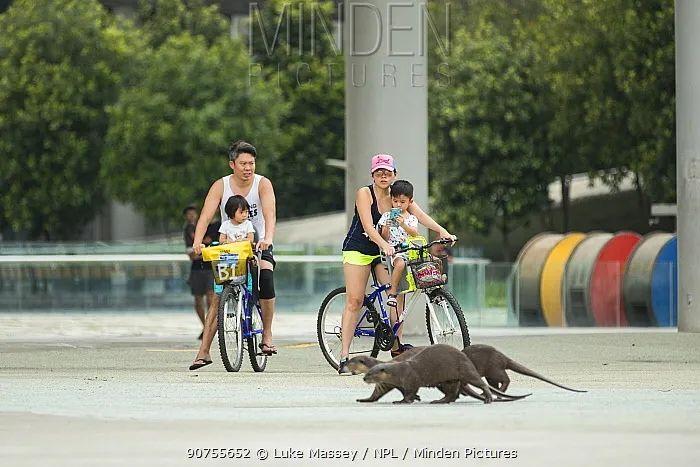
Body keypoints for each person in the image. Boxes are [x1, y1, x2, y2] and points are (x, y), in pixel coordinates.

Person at [337, 154, 455, 374]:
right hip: (359, 249)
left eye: (388, 172)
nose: (384, 176)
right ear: (372, 174)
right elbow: (369, 227)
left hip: (386, 251)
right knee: (355, 300)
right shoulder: (365, 193)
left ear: (394, 174)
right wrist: (383, 244)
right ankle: (344, 356)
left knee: (397, 291)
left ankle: (396, 346)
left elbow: (420, 216)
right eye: (379, 172)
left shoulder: (398, 195)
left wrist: (442, 231)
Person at [189, 140, 277, 371]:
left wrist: (267, 238)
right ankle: (204, 352)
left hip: (257, 246)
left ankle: (266, 336)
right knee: (218, 298)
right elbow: (206, 216)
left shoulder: (262, 184)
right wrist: (197, 242)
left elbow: (270, 214)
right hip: (229, 249)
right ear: (232, 164)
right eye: (243, 163)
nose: (248, 168)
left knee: (265, 277)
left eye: (252, 163)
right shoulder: (221, 186)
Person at [378, 180, 419, 308]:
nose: (398, 205)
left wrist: (403, 224)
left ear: (410, 201)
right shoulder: (387, 215)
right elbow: (383, 238)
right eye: (395, 201)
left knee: (429, 259)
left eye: (402, 202)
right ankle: (393, 293)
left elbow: (414, 234)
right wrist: (386, 227)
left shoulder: (411, 218)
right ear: (391, 200)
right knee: (400, 263)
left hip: (410, 251)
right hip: (395, 251)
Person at [183, 205, 216, 340]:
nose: (192, 216)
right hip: (196, 268)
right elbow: (191, 253)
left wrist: (204, 252)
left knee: (210, 296)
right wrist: (204, 251)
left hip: (209, 268)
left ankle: (210, 325)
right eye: (189, 214)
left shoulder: (209, 227)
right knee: (198, 298)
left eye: (193, 214)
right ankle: (205, 326)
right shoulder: (188, 230)